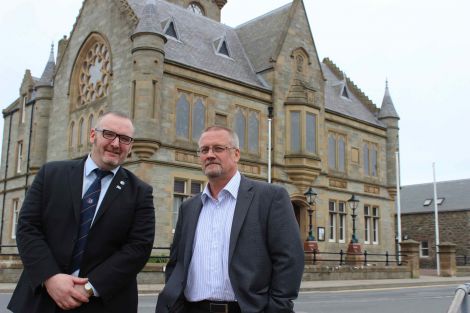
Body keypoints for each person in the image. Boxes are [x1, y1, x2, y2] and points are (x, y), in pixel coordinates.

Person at [8, 112, 155, 313]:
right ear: (93, 135)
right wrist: (50, 278)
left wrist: (88, 287)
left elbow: (139, 247)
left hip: (102, 303)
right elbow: (27, 227)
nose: (116, 144)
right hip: (42, 299)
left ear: (130, 146)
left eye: (124, 139)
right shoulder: (51, 174)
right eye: (109, 134)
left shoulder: (140, 192)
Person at [156, 126, 304, 313]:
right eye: (204, 150)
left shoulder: (269, 197)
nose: (210, 155)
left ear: (236, 154)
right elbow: (177, 262)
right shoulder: (189, 207)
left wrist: (277, 308)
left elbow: (289, 259)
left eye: (218, 148)